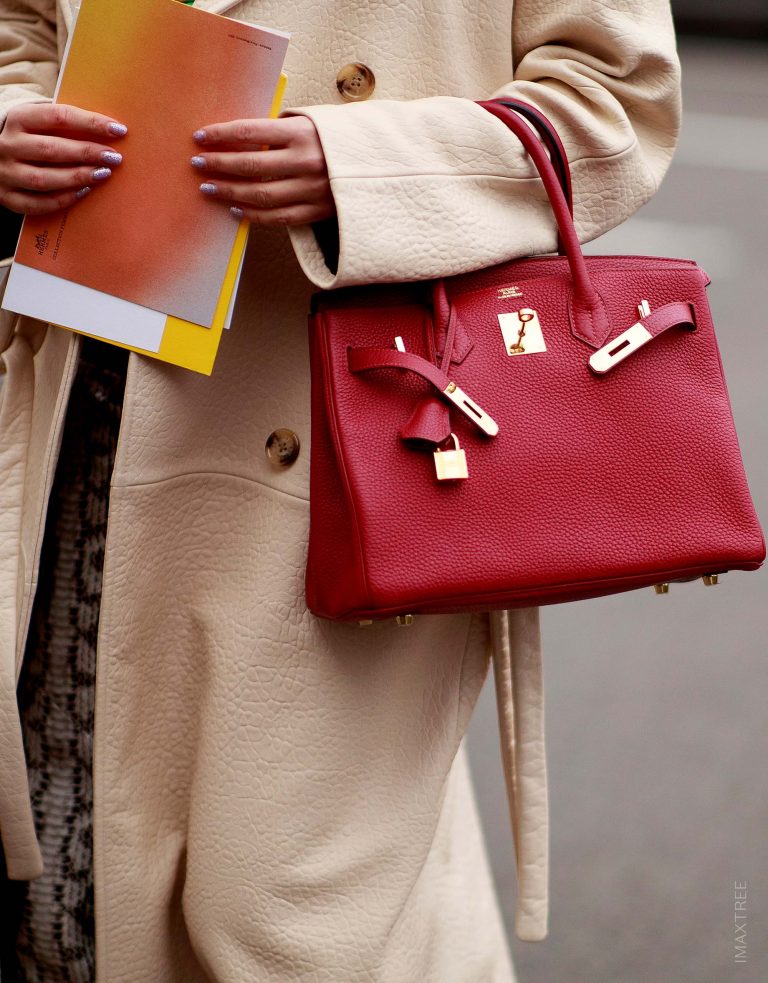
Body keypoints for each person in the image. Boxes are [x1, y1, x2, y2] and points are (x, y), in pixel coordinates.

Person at [0, 0, 681, 979]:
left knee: (293, 910)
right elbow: (23, 27)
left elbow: (616, 96)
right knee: (76, 874)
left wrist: (364, 168)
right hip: (85, 411)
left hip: (349, 435)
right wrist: (16, 118)